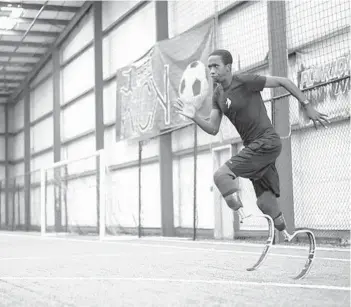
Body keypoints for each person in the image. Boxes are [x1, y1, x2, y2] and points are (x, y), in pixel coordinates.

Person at [174, 49, 329, 240]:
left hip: (267, 141)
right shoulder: (217, 95)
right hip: (254, 148)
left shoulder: (245, 81)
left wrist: (307, 105)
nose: (212, 71)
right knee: (265, 202)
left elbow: (283, 81)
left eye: (216, 66)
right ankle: (287, 233)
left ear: (228, 67)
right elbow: (213, 128)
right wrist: (195, 117)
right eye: (209, 67)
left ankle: (241, 214)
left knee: (222, 176)